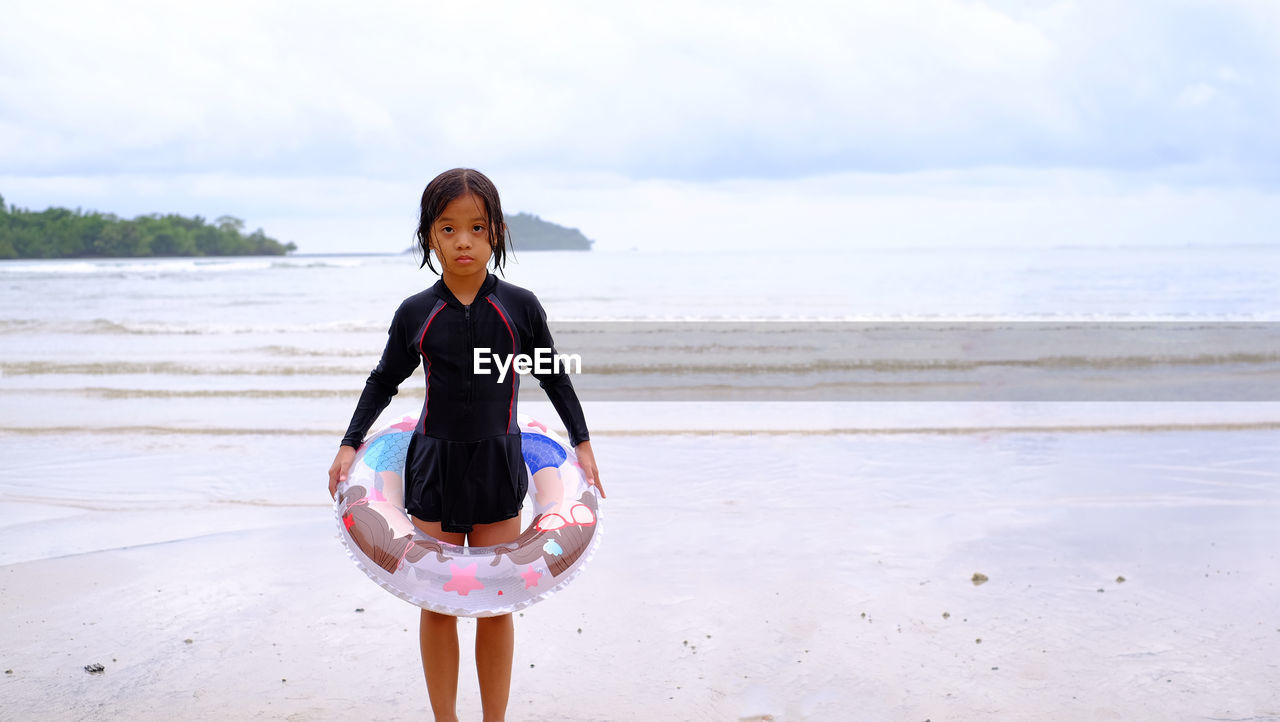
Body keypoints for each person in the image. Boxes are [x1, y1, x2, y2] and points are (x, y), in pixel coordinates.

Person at [327, 168, 603, 722]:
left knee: (497, 602)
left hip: (499, 464)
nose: (463, 241)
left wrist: (583, 443)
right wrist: (349, 443)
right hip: (434, 466)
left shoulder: (520, 307)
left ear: (495, 232)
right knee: (437, 602)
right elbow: (383, 379)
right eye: (448, 228)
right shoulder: (416, 312)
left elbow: (554, 377)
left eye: (477, 227)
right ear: (431, 234)